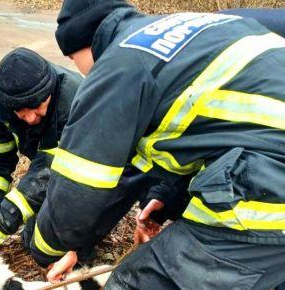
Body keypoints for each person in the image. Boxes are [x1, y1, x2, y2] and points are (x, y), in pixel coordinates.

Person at [29, 1, 285, 288]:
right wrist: (168, 196)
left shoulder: (119, 62)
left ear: (82, 44)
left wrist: (47, 245)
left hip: (269, 185)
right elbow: (221, 131)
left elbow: (79, 190)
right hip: (270, 166)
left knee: (135, 282)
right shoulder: (189, 28)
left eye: (72, 57)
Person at [0, 47, 161, 279]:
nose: (31, 118)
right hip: (60, 172)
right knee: (34, 232)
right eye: (21, 112)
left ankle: (81, 247)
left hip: (98, 178)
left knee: (43, 249)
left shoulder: (75, 100)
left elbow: (49, 173)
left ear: (50, 90)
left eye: (37, 106)